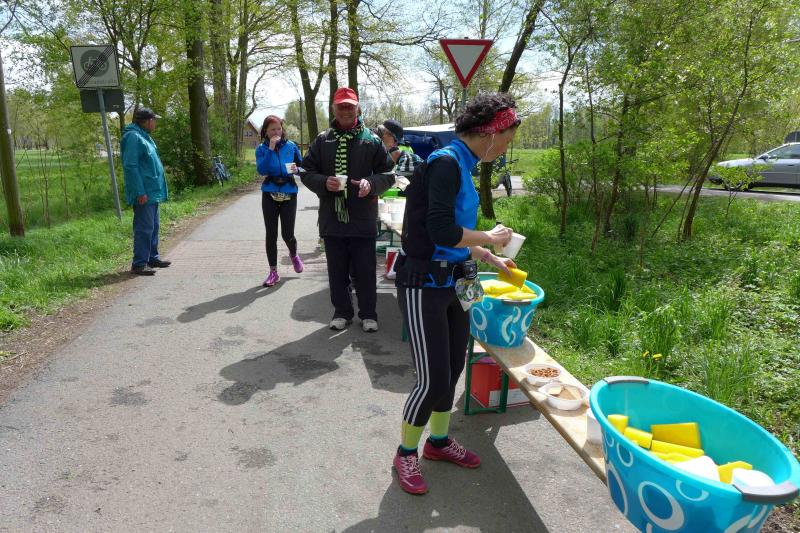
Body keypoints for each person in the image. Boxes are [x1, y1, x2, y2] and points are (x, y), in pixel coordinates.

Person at [391, 93, 521, 494]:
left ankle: (439, 442)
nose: (506, 148)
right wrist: (492, 237)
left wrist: (488, 256)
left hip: (459, 279)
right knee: (431, 380)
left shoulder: (463, 165)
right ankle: (405, 453)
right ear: (490, 132)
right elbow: (442, 231)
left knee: (451, 369)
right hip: (424, 284)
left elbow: (455, 239)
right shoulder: (446, 163)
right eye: (507, 139)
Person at [301, 87, 395, 332]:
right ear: (334, 109)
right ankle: (342, 312)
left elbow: (388, 173)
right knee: (337, 272)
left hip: (362, 219)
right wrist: (324, 182)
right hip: (332, 218)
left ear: (358, 108)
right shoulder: (323, 140)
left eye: (350, 106)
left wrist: (371, 184)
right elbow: (306, 171)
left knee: (365, 270)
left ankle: (368, 314)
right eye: (341, 106)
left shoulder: (371, 140)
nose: (345, 110)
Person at [256, 115, 304, 287]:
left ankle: (294, 255)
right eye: (272, 130)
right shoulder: (262, 149)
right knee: (271, 234)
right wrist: (270, 149)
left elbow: (303, 166)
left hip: (289, 192)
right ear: (266, 132)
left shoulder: (291, 146)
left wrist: (297, 169)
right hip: (269, 192)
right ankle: (273, 272)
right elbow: (262, 170)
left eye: (278, 129)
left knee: (287, 234)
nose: (276, 132)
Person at [121, 107, 171, 276]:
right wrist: (139, 191)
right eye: (154, 120)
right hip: (144, 192)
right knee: (144, 227)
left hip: (152, 191)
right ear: (148, 121)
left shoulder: (143, 136)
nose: (155, 123)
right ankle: (139, 264)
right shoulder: (133, 137)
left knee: (153, 226)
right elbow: (130, 166)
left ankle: (152, 258)